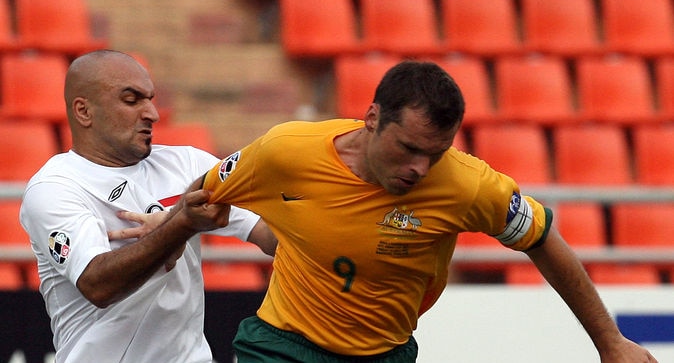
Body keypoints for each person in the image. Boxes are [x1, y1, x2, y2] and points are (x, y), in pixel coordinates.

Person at [179, 60, 657, 362]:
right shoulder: (287, 151)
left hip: (387, 353)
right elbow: (204, 194)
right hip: (282, 345)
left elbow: (544, 241)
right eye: (408, 148)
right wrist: (169, 226)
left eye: (436, 153)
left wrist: (610, 343)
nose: (419, 168)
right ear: (371, 118)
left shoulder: (468, 185)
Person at [19, 49, 276, 363]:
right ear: (84, 112)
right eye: (131, 100)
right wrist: (179, 225)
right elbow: (98, 285)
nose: (152, 113)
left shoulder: (188, 164)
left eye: (151, 99)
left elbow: (271, 235)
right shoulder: (56, 187)